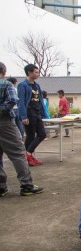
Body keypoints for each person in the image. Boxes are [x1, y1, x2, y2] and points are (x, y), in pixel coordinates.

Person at [0, 61, 44, 197]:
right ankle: (26, 185)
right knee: (18, 153)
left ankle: (1, 187)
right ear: (4, 71)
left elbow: (40, 100)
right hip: (5, 122)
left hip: (34, 114)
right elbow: (15, 100)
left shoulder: (36, 85)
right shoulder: (7, 84)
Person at [17, 63, 49, 166]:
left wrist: (45, 115)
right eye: (36, 72)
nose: (38, 74)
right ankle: (28, 156)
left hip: (37, 112)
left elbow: (40, 100)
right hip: (29, 112)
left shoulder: (37, 85)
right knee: (30, 136)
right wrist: (23, 116)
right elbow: (21, 102)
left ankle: (28, 154)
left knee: (42, 134)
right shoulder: (23, 85)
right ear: (29, 72)